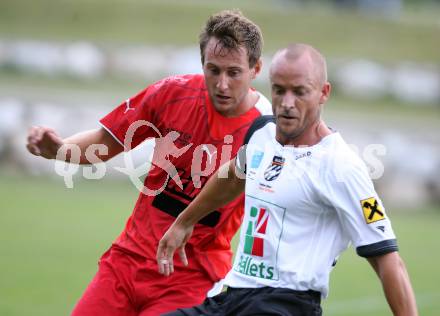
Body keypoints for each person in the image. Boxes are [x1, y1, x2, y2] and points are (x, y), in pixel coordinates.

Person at [26, 10, 272, 316]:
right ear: (202, 64)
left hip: (191, 277)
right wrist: (60, 150)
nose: (222, 84)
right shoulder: (172, 93)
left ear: (256, 69)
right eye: (213, 70)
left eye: (233, 73)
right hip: (127, 262)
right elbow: (106, 143)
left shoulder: (267, 132)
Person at [157, 43, 418, 315]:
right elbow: (234, 176)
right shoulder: (261, 133)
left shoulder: (341, 166)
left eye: (300, 92)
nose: (287, 103)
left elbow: (387, 258)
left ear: (323, 93)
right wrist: (184, 221)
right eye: (279, 90)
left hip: (286, 305)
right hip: (233, 297)